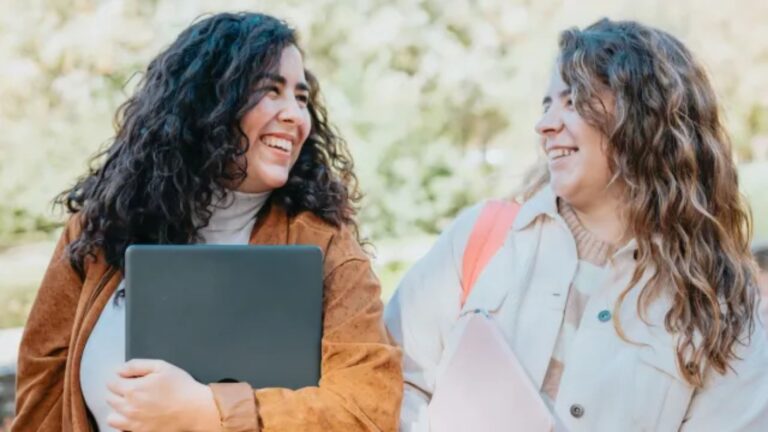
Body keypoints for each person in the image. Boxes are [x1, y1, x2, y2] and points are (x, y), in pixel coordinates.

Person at [14, 12, 402, 432]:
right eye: (270, 91)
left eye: (301, 97)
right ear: (208, 102)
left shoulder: (326, 245)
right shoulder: (100, 228)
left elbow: (367, 408)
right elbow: (42, 389)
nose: (295, 115)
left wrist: (209, 410)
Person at [386, 18, 768, 431]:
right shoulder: (481, 236)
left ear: (645, 121)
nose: (546, 124)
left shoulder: (725, 307)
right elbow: (394, 380)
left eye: (573, 101)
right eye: (547, 104)